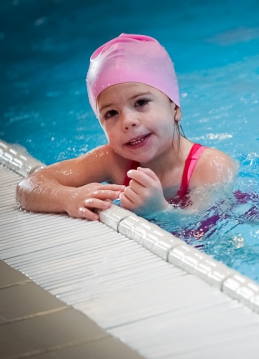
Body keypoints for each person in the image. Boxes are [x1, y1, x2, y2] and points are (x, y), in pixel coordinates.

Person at [16, 34, 238, 221]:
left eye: (141, 102)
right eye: (111, 113)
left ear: (175, 108)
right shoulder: (113, 160)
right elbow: (29, 186)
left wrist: (161, 210)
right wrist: (70, 198)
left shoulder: (211, 167)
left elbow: (205, 225)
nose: (128, 121)